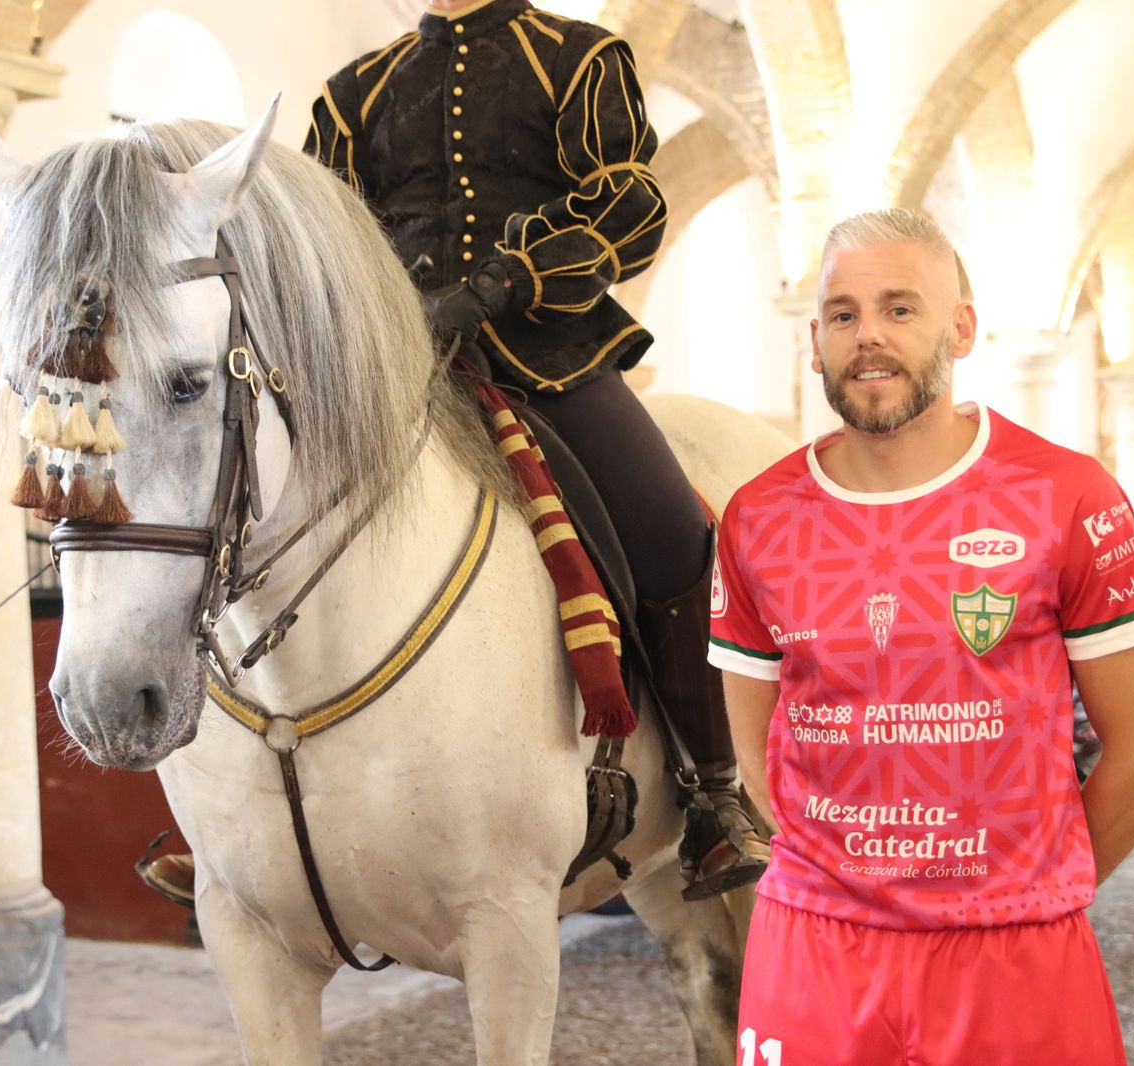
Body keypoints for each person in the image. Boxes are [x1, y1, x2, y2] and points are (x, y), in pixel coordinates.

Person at [138, 0, 768, 907]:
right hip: (389, 370)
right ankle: (234, 815)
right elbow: (323, 237)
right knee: (236, 511)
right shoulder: (355, 93)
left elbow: (628, 204)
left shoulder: (580, 57)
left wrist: (505, 281)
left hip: (549, 356)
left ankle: (713, 795)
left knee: (674, 535)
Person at [709, 208, 1134, 1065]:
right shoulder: (757, 517)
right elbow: (752, 754)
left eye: (900, 309)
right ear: (814, 338)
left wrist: (1034, 889)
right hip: (815, 951)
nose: (869, 338)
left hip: (1014, 950)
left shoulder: (1067, 495)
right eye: (845, 316)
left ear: (960, 327)